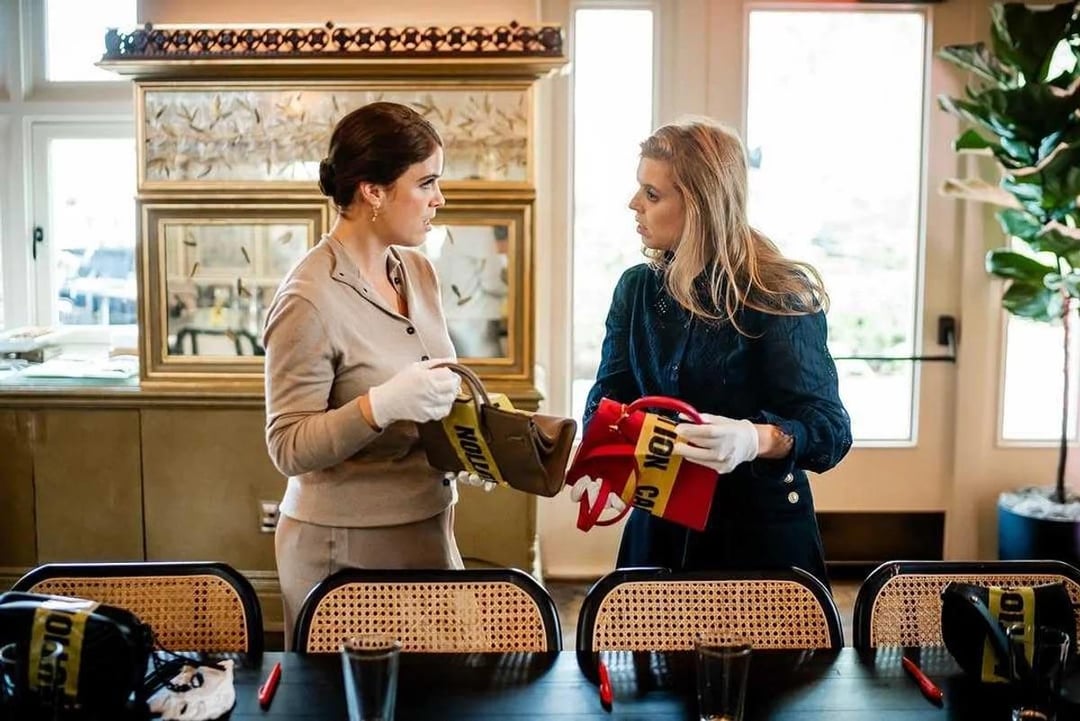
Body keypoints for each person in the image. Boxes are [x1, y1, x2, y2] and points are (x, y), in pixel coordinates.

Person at [579, 117, 852, 587]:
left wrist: (755, 439)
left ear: (700, 203)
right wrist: (603, 457)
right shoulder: (636, 290)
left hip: (759, 543)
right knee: (649, 659)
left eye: (652, 193)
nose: (633, 204)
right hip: (658, 527)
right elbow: (608, 399)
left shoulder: (778, 294)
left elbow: (830, 432)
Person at [263, 102, 467, 647]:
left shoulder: (418, 271)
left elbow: (428, 399)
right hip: (344, 549)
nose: (439, 199)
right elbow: (287, 445)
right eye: (426, 183)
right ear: (372, 191)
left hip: (431, 525)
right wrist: (380, 406)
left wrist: (474, 445)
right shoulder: (307, 298)